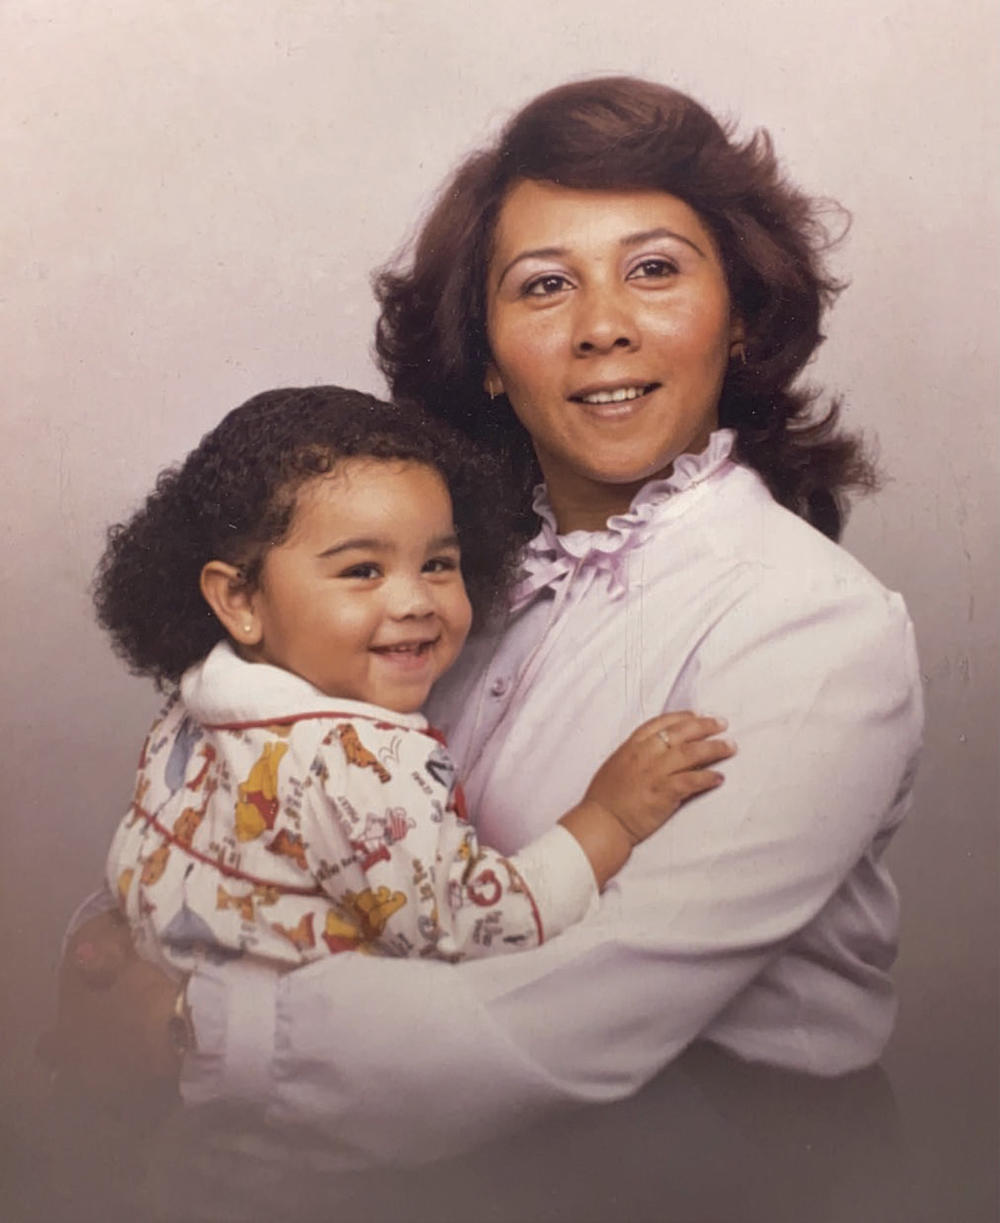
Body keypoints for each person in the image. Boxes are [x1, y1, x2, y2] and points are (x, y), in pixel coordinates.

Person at [47, 77, 923, 1220]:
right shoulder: (437, 579)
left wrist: (186, 1027)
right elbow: (262, 796)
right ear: (492, 357)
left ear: (741, 315)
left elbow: (588, 1016)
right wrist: (111, 959)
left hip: (710, 1161)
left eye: (654, 269)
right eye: (545, 284)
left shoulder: (814, 626)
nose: (603, 322)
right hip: (411, 1140)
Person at [93, 385, 731, 977]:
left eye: (437, 564)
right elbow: (477, 929)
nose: (415, 601)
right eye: (363, 570)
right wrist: (609, 819)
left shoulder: (200, 701)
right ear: (239, 598)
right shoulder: (361, 758)